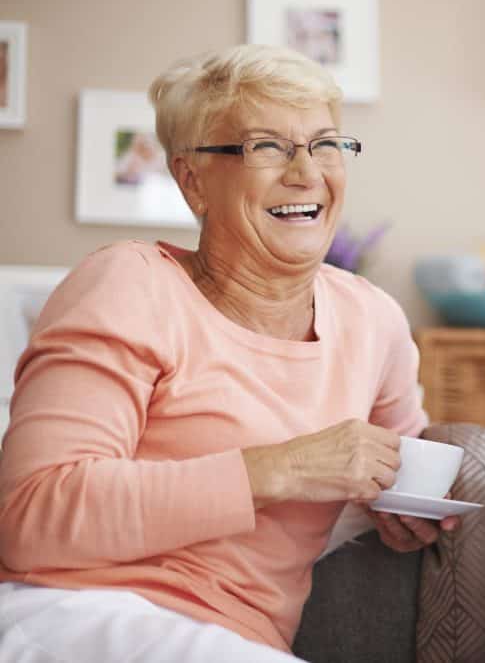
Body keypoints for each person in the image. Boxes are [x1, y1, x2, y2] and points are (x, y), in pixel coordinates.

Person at [0, 44, 459, 662]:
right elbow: (30, 516)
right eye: (267, 147)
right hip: (75, 613)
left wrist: (400, 512)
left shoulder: (372, 319)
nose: (306, 172)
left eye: (325, 144)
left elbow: (402, 468)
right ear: (192, 180)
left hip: (239, 642)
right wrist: (282, 469)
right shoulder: (129, 285)